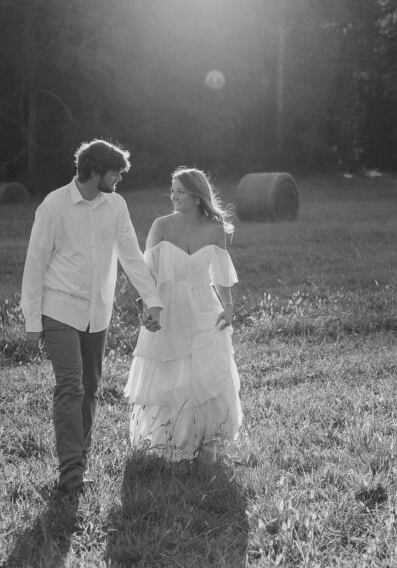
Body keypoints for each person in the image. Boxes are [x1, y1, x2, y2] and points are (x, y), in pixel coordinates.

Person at [21, 139, 163, 495]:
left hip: (98, 312)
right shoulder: (53, 206)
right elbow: (35, 262)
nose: (119, 179)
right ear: (95, 172)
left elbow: (131, 254)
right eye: (115, 173)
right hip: (59, 310)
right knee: (70, 385)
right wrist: (31, 320)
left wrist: (152, 299)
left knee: (91, 390)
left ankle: (79, 462)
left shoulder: (115, 205)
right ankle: (70, 474)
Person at [124, 167, 243, 471]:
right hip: (168, 307)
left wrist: (228, 306)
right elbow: (145, 274)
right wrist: (146, 308)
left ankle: (207, 444)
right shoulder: (161, 225)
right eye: (172, 190)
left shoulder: (215, 228)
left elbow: (221, 274)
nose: (173, 196)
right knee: (172, 377)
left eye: (180, 191)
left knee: (205, 374)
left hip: (204, 307)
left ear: (196, 195)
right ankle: (172, 447)